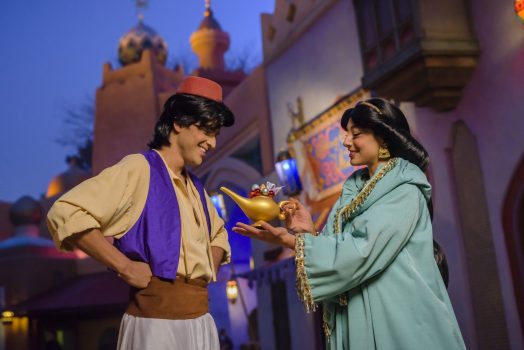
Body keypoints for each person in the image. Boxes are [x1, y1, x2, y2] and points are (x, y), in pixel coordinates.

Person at [233, 98, 466, 349]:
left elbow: (361, 251)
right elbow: (343, 246)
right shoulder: (354, 189)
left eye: (356, 134)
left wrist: (291, 241)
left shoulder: (405, 189)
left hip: (396, 317)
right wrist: (308, 232)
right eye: (347, 134)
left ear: (384, 138)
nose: (346, 142)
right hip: (362, 313)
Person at [47, 76, 234, 350]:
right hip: (154, 323)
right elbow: (66, 211)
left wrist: (202, 273)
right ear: (179, 122)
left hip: (201, 322)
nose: (213, 142)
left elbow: (219, 234)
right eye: (207, 129)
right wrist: (123, 266)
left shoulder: (197, 188)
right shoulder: (140, 169)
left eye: (216, 134)